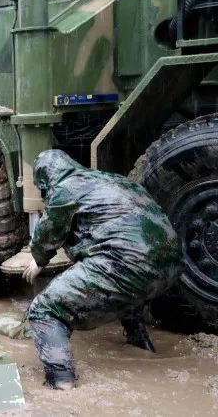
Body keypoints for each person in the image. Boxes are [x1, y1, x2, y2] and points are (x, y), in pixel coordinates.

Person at [22, 149, 182, 390]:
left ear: (46, 182)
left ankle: (61, 384)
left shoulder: (65, 188)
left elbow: (48, 233)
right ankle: (141, 349)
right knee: (126, 294)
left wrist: (38, 260)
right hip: (170, 266)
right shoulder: (113, 180)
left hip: (127, 264)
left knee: (44, 310)